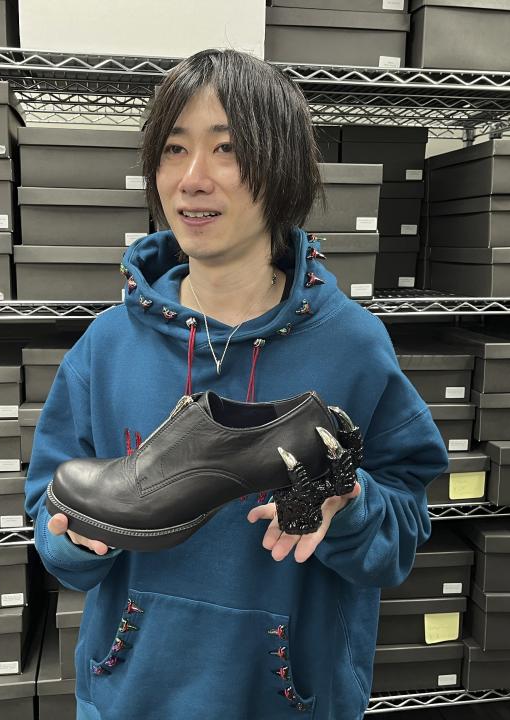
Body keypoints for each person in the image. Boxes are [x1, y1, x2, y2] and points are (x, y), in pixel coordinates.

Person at [24, 48, 448, 720]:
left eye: (225, 150)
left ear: (280, 170)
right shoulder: (106, 346)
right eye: (172, 149)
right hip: (131, 696)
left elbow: (404, 527)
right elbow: (48, 506)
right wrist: (75, 539)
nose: (192, 179)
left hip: (287, 702)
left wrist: (352, 507)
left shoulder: (353, 346)